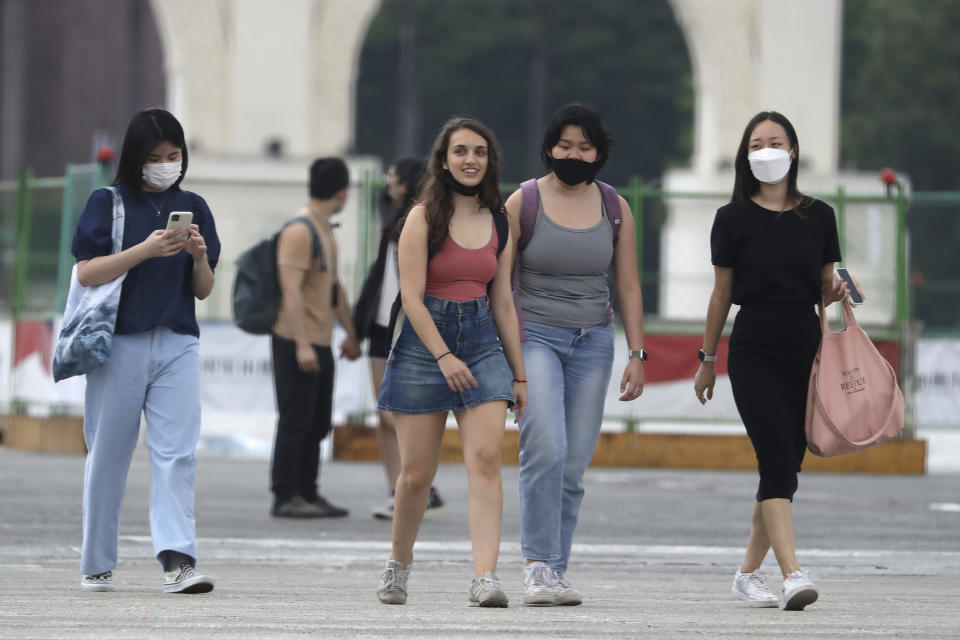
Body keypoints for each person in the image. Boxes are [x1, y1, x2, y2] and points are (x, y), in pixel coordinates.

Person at [694, 111, 853, 611]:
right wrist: (706, 359)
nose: (767, 151)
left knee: (786, 470)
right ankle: (791, 574)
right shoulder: (732, 218)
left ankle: (746, 574)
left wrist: (840, 290)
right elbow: (721, 294)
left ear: (794, 151)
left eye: (776, 141)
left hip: (806, 345)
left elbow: (821, 288)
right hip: (753, 346)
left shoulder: (821, 215)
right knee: (776, 460)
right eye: (757, 143)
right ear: (745, 154)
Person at [375, 117, 527, 607]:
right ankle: (399, 563)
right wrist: (443, 356)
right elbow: (412, 299)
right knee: (417, 474)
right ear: (444, 159)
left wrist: (518, 372)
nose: (470, 160)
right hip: (425, 346)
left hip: (482, 340)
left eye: (479, 151)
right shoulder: (421, 217)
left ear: (490, 160)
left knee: (485, 459)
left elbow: (503, 299)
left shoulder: (500, 218)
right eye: (460, 151)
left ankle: (485, 576)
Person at [504, 103, 646, 606]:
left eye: (585, 147)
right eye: (565, 145)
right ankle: (536, 564)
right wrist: (507, 352)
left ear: (599, 152)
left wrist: (638, 353)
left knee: (574, 463)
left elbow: (627, 284)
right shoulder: (522, 201)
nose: (574, 154)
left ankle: (557, 569)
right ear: (548, 148)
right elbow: (500, 283)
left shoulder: (615, 207)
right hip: (534, 336)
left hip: (594, 341)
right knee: (545, 448)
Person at [73, 108, 219, 593]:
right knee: (108, 452)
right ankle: (96, 563)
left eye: (173, 155)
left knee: (177, 454)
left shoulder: (194, 204)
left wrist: (197, 255)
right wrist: (145, 250)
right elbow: (87, 272)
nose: (165, 164)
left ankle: (178, 561)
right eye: (154, 157)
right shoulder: (107, 202)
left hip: (178, 341)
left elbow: (203, 290)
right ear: (135, 158)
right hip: (119, 343)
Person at [269, 157, 362, 518]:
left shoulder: (325, 230)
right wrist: (303, 343)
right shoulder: (299, 231)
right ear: (342, 192)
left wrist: (351, 334)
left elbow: (333, 287)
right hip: (295, 340)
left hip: (320, 341)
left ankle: (308, 491)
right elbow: (289, 291)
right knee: (295, 419)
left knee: (318, 420)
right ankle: (285, 494)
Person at [352, 158, 445, 520]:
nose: (388, 184)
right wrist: (358, 326)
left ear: (406, 183)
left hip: (407, 326)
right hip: (379, 328)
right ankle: (396, 489)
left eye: (392, 178)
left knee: (398, 416)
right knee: (384, 415)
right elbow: (378, 280)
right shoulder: (390, 224)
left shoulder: (423, 222)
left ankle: (421, 487)